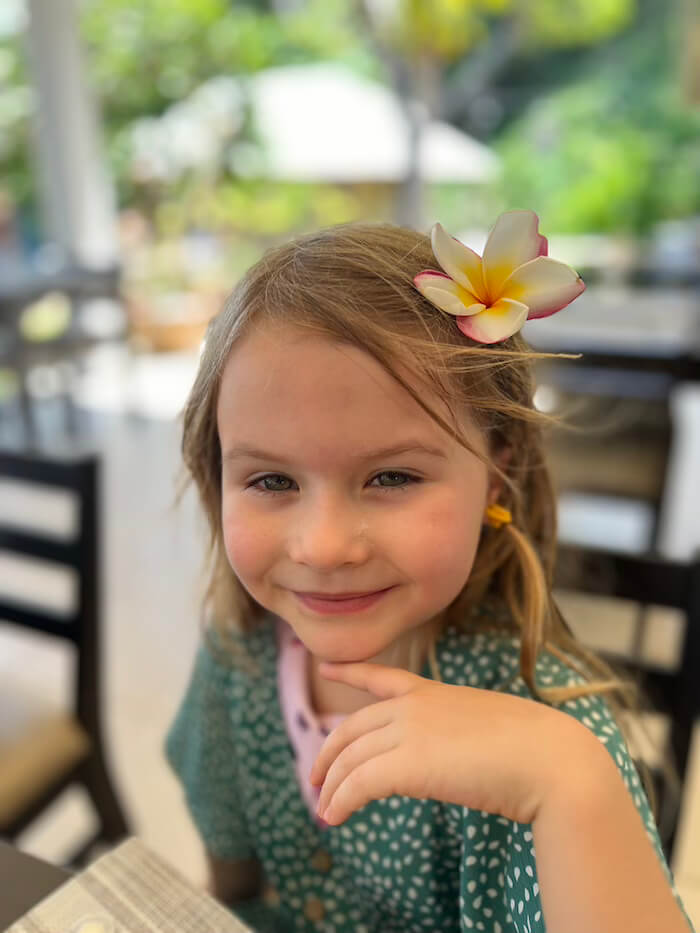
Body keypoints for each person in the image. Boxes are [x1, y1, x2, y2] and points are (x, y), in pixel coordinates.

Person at [165, 211, 695, 933]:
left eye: (390, 476)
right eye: (271, 481)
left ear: (496, 478)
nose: (323, 546)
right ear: (215, 473)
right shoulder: (239, 653)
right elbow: (226, 886)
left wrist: (571, 781)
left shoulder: (543, 739)